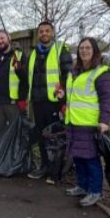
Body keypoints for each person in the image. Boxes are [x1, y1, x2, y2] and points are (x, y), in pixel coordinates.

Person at [56, 37, 110, 207]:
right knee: (78, 156)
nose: (84, 51)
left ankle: (95, 191)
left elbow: (106, 99)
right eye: (81, 48)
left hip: (90, 124)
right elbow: (75, 97)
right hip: (74, 122)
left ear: (94, 51)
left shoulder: (101, 73)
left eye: (88, 48)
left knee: (91, 159)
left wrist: (104, 121)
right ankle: (82, 185)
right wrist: (62, 97)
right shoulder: (75, 72)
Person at [25, 21, 72, 182]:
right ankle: (44, 166)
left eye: (47, 31)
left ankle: (55, 170)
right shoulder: (33, 53)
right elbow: (27, 75)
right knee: (41, 134)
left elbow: (68, 75)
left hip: (54, 102)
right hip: (37, 101)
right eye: (41, 31)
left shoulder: (60, 50)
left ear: (52, 33)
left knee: (55, 136)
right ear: (38, 34)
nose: (44, 33)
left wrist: (64, 99)